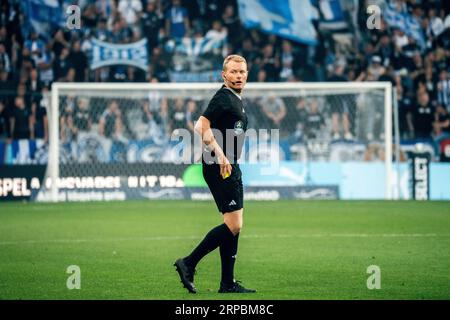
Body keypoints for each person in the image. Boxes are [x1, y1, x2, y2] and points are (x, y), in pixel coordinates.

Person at [174, 55, 256, 294]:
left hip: (229, 165)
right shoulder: (223, 97)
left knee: (234, 226)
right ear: (224, 75)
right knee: (234, 224)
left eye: (242, 72)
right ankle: (188, 263)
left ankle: (227, 284)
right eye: (234, 72)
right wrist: (220, 155)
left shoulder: (235, 99)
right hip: (219, 165)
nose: (238, 76)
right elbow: (201, 126)